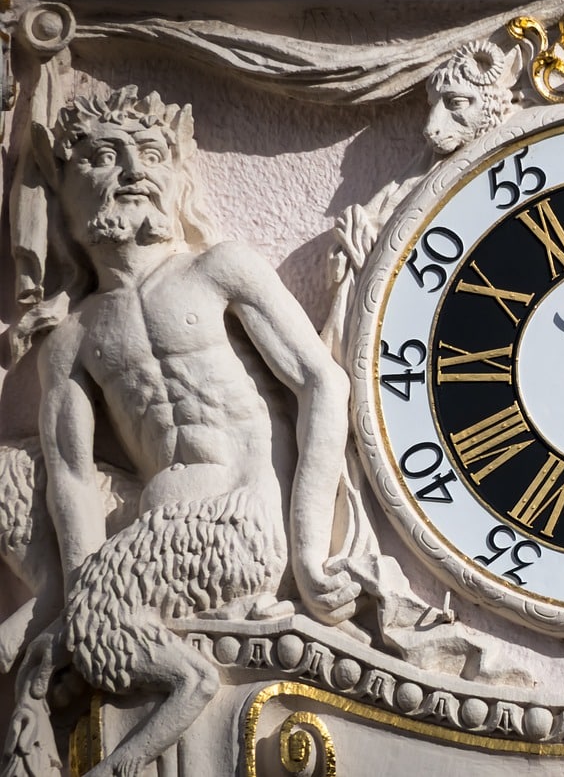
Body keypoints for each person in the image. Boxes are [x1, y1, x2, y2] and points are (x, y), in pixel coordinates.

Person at [14, 85, 359, 777]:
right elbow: (72, 481)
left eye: (149, 154)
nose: (131, 172)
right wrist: (81, 588)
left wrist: (309, 550)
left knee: (90, 619)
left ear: (176, 178)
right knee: (14, 478)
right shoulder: (72, 339)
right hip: (154, 539)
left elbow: (323, 383)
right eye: (103, 156)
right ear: (63, 187)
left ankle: (138, 736)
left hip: (239, 524)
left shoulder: (217, 269)